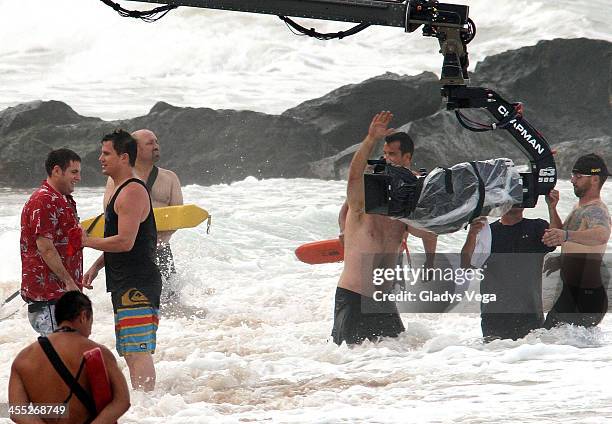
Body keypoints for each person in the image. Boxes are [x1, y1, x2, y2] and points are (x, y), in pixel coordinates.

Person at [331, 111, 436, 346]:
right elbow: (353, 180)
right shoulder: (363, 201)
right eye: (384, 154)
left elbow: (428, 229)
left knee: (402, 358)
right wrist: (370, 139)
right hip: (354, 298)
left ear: (407, 157)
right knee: (347, 365)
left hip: (382, 300)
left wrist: (430, 262)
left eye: (393, 155)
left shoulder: (405, 206)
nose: (387, 159)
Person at [82, 129, 162, 391]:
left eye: (106, 153)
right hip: (125, 281)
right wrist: (96, 266)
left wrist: (85, 241)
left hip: (137, 282)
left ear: (124, 157)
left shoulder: (131, 192)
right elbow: (122, 240)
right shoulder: (120, 190)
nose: (100, 158)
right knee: (129, 349)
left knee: (137, 350)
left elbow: (125, 242)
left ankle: (147, 406)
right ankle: (143, 405)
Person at [8, 291, 130, 424]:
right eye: (91, 321)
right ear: (84, 316)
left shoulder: (24, 358)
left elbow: (17, 411)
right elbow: (122, 401)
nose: (90, 330)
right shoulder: (99, 352)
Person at [104, 129, 184, 305]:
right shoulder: (117, 180)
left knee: (171, 304)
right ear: (136, 149)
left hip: (162, 250)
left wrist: (153, 239)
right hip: (131, 252)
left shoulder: (170, 178)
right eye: (150, 143)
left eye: (156, 142)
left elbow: (178, 217)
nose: (156, 146)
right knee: (133, 304)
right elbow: (110, 216)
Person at [461, 208, 556, 341]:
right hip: (494, 316)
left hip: (530, 314)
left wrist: (552, 207)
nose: (515, 203)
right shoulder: (487, 233)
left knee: (530, 359)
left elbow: (557, 239)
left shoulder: (536, 227)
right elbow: (466, 265)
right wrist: (472, 234)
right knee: (496, 359)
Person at [19, 148, 85, 336]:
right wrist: (69, 282)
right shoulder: (44, 199)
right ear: (57, 171)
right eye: (74, 172)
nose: (78, 178)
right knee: (60, 358)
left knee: (67, 358)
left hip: (62, 296)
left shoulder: (62, 199)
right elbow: (45, 247)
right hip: (50, 298)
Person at [542, 153, 611, 328]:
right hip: (572, 292)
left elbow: (601, 234)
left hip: (587, 296)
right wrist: (552, 208)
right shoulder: (579, 207)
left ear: (594, 179)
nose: (573, 180)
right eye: (573, 175)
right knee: (550, 343)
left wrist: (566, 236)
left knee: (551, 343)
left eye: (578, 176)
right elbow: (560, 237)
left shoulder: (597, 210)